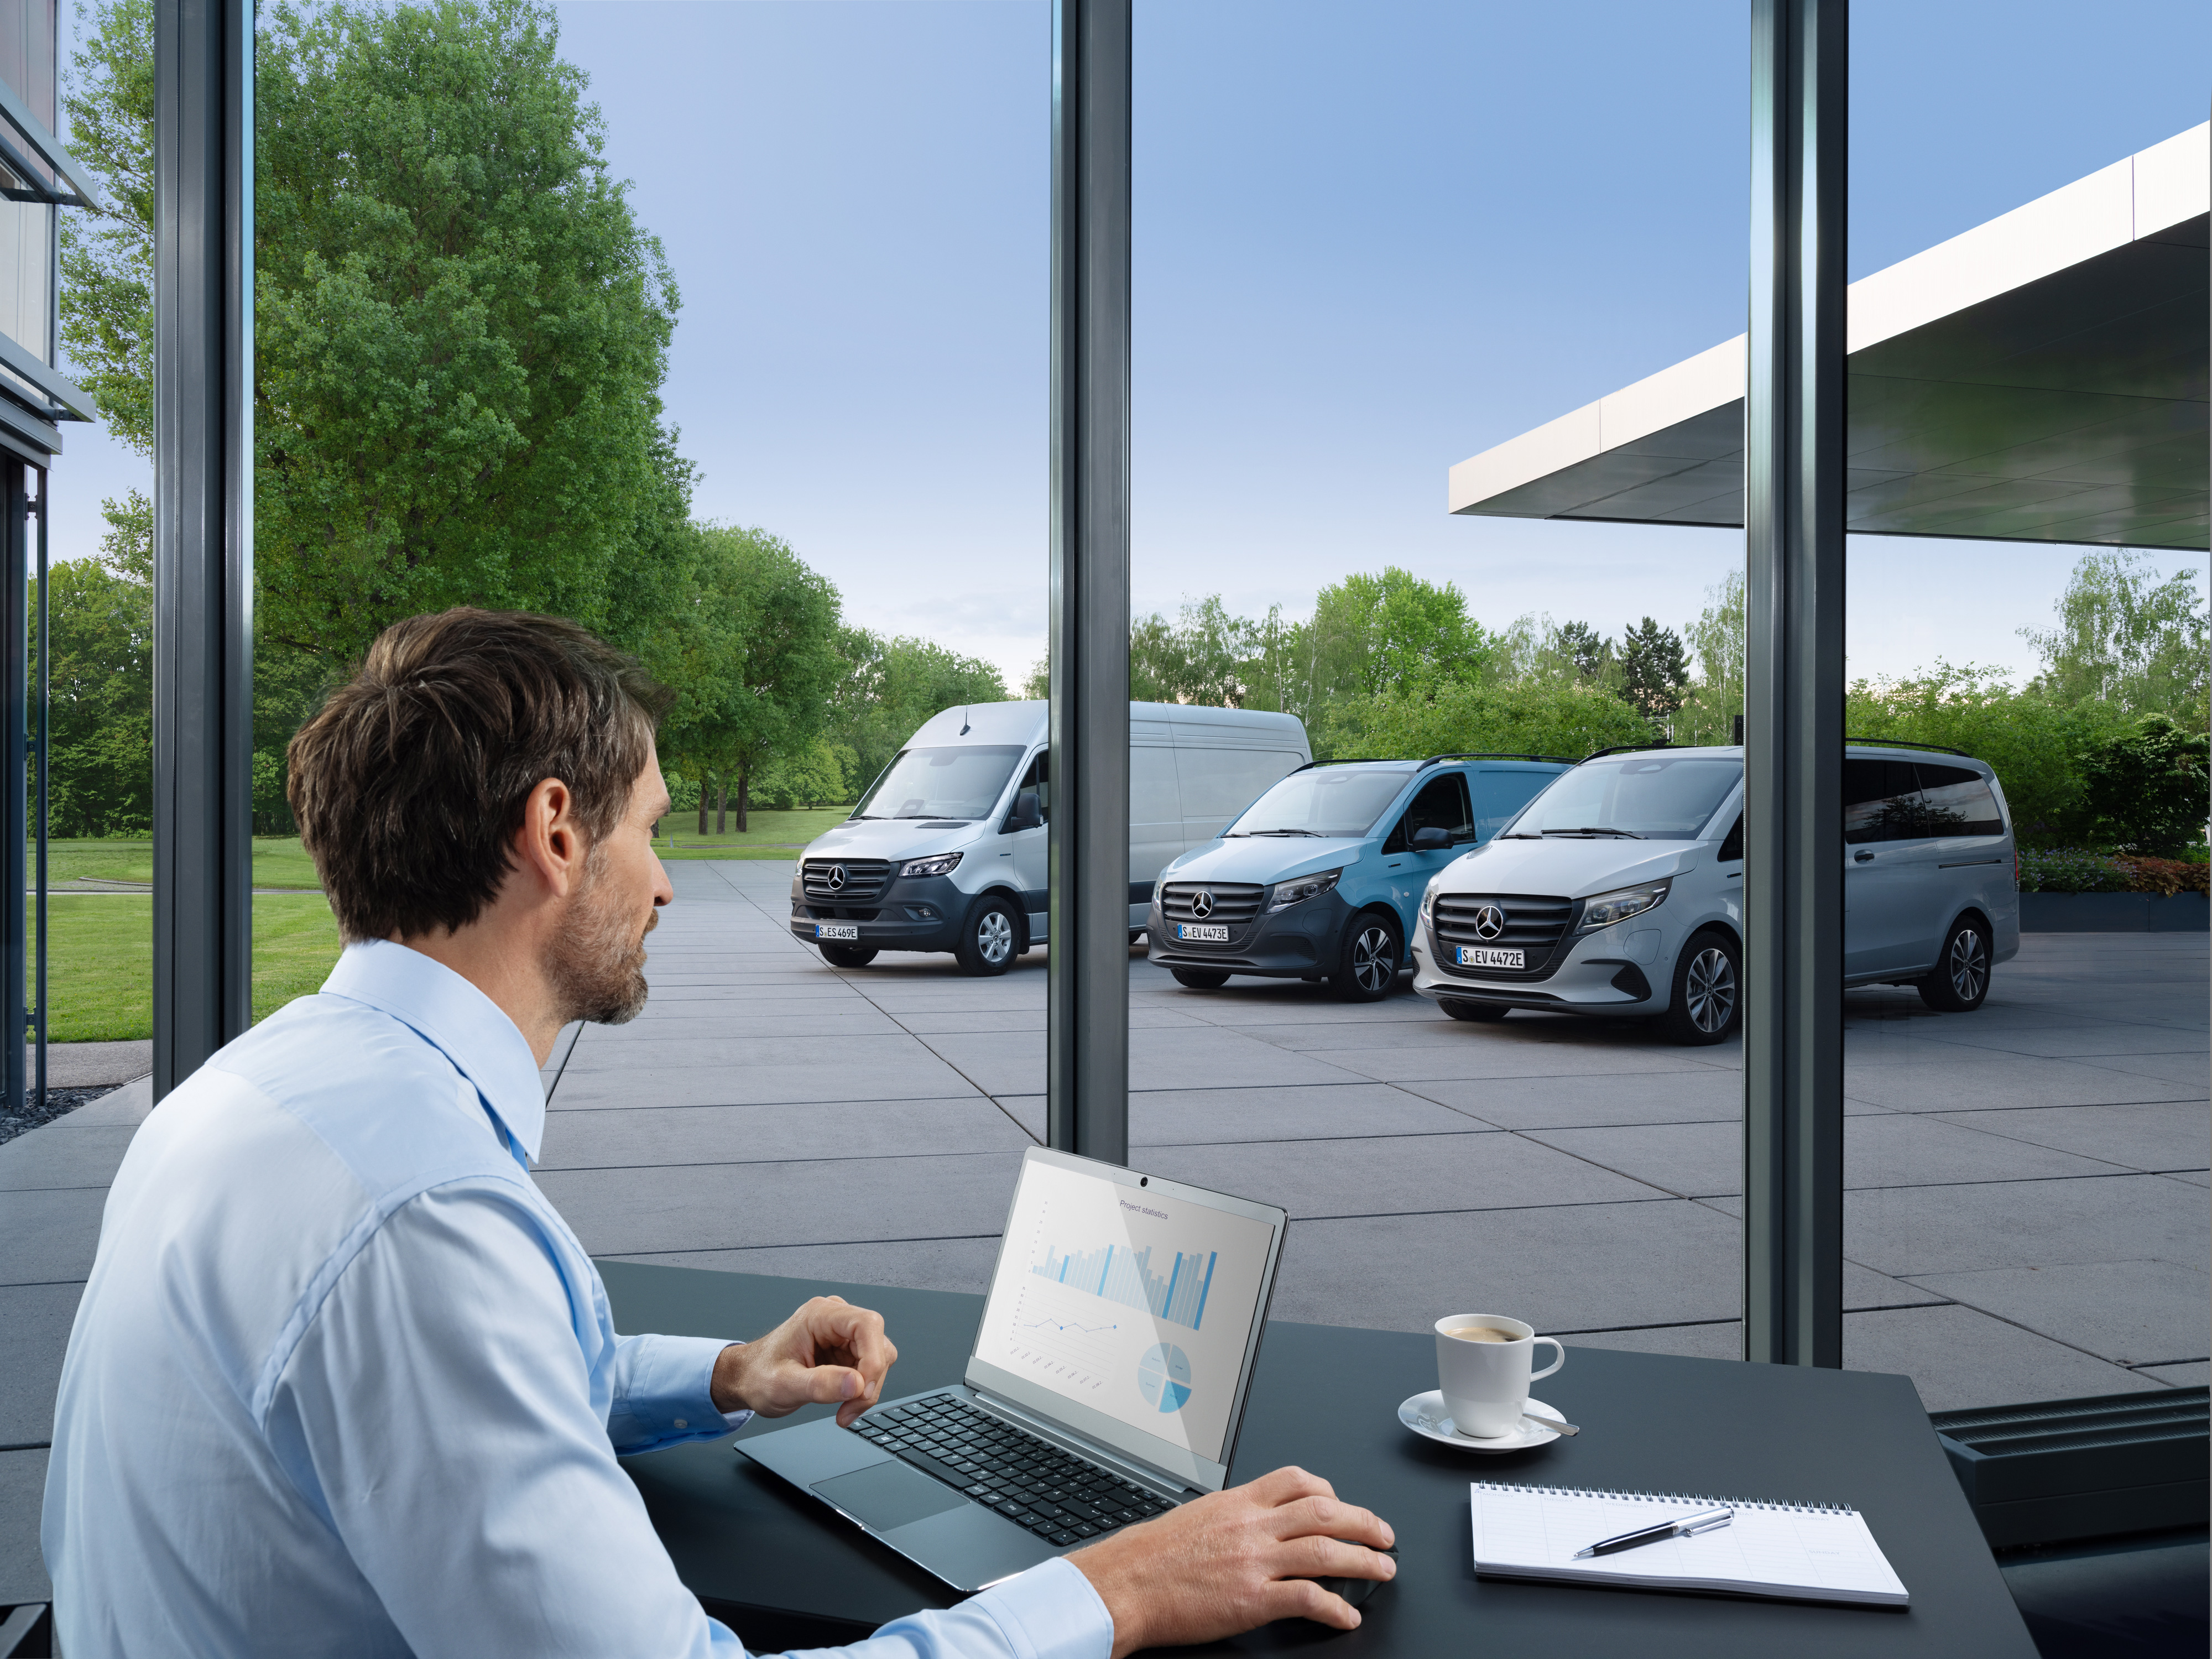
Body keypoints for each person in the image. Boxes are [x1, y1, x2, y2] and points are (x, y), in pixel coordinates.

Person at [43, 608, 1394, 1658]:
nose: (670, 884)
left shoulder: (258, 1089)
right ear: (555, 834)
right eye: (650, 830)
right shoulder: (423, 1215)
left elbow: (438, 1403)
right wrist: (1117, 1588)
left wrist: (732, 1378)